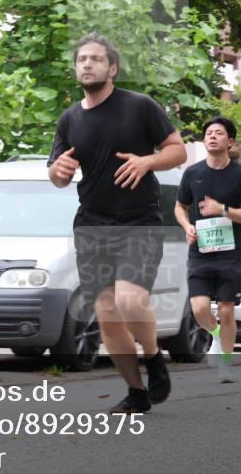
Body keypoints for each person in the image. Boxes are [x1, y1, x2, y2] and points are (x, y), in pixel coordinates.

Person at [48, 32, 187, 413]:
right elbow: (58, 174)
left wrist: (146, 162)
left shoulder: (139, 106)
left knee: (129, 298)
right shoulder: (69, 119)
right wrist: (57, 171)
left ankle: (155, 357)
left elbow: (177, 150)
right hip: (91, 225)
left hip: (138, 220)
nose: (87, 64)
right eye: (81, 59)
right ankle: (136, 392)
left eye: (95, 59)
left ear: (112, 68)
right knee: (107, 314)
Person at [175, 117, 241, 383]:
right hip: (200, 251)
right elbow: (180, 207)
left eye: (218, 133)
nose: (212, 137)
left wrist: (221, 210)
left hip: (230, 253)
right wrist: (187, 226)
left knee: (226, 309)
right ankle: (217, 336)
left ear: (229, 142)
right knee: (199, 309)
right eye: (208, 133)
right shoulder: (192, 173)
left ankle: (226, 363)